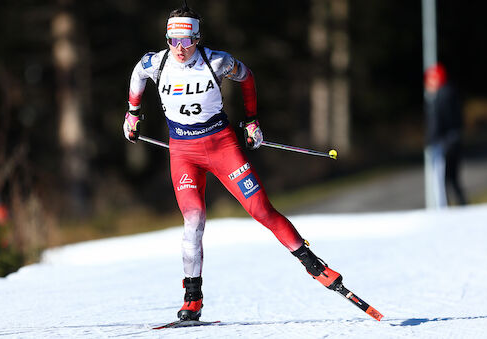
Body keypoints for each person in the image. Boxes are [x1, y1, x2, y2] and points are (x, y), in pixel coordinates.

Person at [123, 4, 343, 321]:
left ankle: (312, 263)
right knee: (193, 222)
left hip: (221, 146)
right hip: (183, 152)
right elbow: (137, 74)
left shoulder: (217, 61)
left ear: (197, 38)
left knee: (260, 209)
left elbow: (248, 77)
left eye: (186, 41)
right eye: (173, 40)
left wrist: (252, 121)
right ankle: (192, 299)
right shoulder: (156, 63)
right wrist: (132, 114)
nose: (179, 48)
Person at [424, 63, 468, 206]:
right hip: (454, 140)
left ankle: (444, 213)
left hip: (443, 144)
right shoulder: (451, 93)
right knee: (453, 179)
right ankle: (464, 207)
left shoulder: (439, 98)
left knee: (440, 183)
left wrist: (430, 142)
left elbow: (435, 124)